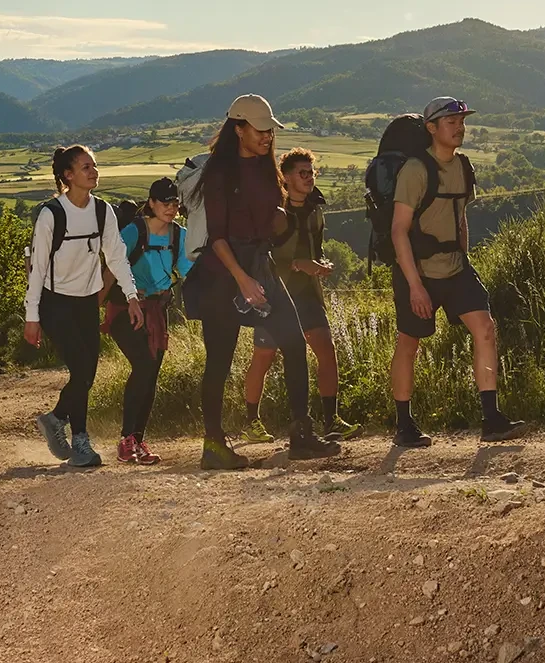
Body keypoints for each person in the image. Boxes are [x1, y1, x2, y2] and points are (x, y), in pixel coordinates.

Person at [183, 94, 340, 469]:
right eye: (261, 129)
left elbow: (269, 214)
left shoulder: (266, 166)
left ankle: (301, 435)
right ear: (239, 129)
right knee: (219, 361)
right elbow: (217, 236)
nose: (268, 136)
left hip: (259, 264)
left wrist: (277, 220)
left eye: (270, 129)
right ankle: (214, 445)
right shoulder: (220, 174)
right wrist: (243, 280)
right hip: (225, 273)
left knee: (293, 341)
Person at [389, 97, 529, 447]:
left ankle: (491, 419)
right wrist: (415, 286)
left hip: (455, 269)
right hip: (417, 272)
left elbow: (460, 217)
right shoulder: (415, 171)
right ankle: (403, 425)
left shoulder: (463, 167)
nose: (459, 127)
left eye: (461, 120)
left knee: (484, 328)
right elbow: (398, 230)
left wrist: (464, 260)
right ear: (431, 128)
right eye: (450, 122)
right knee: (409, 344)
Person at [25, 145, 143, 467]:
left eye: (94, 165)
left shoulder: (103, 211)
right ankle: (79, 441)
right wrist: (31, 316)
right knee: (80, 369)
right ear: (68, 175)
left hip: (86, 302)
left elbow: (116, 256)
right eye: (85, 167)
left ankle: (55, 419)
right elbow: (36, 268)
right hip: (55, 303)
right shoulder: (52, 215)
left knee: (87, 373)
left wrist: (132, 296)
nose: (93, 171)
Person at [240, 148, 362, 444]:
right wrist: (297, 264)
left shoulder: (316, 208)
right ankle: (250, 422)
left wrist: (319, 264)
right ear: (286, 178)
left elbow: (314, 247)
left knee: (326, 350)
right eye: (302, 173)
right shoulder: (275, 212)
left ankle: (331, 420)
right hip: (276, 294)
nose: (309, 178)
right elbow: (262, 255)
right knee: (264, 356)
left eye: (311, 173)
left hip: (307, 292)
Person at [99, 177, 193, 465]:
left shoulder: (180, 236)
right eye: (165, 202)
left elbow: (189, 270)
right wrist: (95, 307)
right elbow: (112, 269)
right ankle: (127, 438)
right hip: (125, 309)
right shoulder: (133, 232)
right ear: (151, 204)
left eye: (175, 202)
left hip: (157, 312)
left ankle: (137, 441)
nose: (171, 208)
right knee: (143, 366)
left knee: (150, 375)